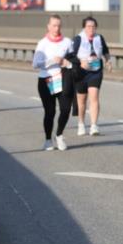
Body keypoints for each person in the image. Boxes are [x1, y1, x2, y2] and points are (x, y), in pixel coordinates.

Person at [32, 15, 74, 151]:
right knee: (50, 112)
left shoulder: (67, 42)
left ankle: (59, 135)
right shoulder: (42, 43)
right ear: (48, 26)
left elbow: (75, 60)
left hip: (63, 80)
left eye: (59, 25)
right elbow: (35, 64)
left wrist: (67, 63)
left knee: (66, 109)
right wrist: (52, 61)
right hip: (46, 80)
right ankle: (48, 139)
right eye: (54, 25)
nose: (57, 28)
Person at [70, 16, 111, 136]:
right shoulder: (78, 39)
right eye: (88, 26)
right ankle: (81, 124)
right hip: (81, 73)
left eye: (93, 26)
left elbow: (105, 51)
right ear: (84, 27)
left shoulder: (100, 38)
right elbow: (71, 55)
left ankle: (94, 126)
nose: (91, 29)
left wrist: (108, 61)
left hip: (96, 71)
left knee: (94, 97)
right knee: (81, 100)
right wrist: (80, 62)